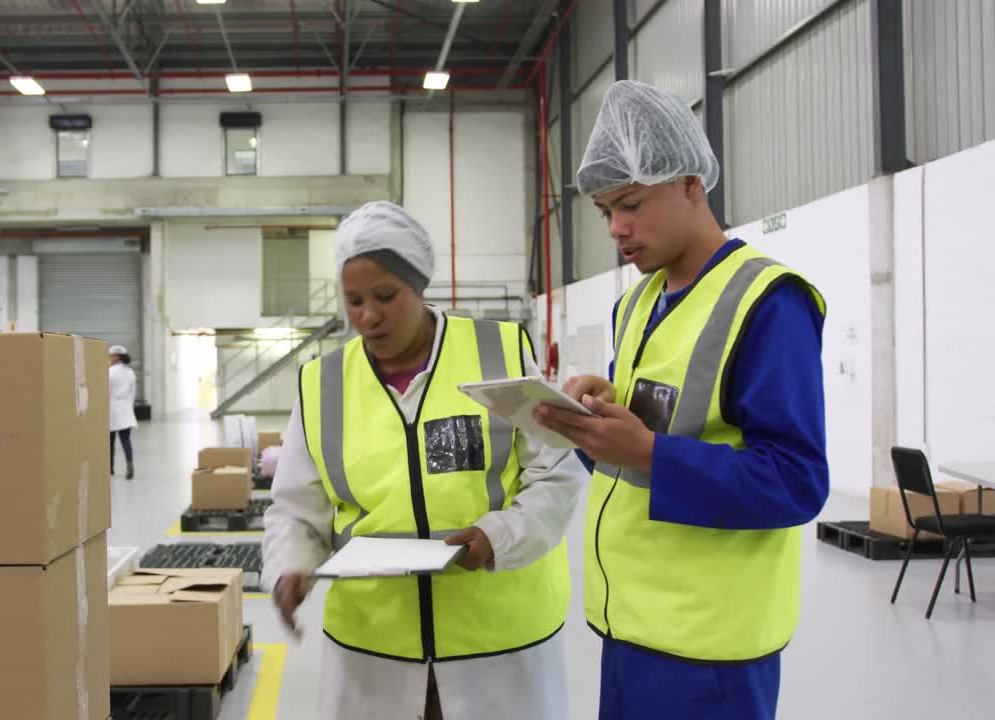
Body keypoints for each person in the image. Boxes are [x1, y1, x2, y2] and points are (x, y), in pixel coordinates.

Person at [533, 80, 830, 720]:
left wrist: (648, 453)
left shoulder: (769, 302)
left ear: (691, 183)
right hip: (630, 627)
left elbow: (798, 481)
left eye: (632, 204)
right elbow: (643, 450)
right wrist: (592, 422)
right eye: (605, 211)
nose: (617, 227)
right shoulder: (637, 303)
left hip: (710, 648)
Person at [262, 201, 591, 720]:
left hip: (499, 644)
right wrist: (290, 567)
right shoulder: (322, 383)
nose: (368, 315)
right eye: (353, 301)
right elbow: (295, 509)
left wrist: (499, 537)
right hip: (375, 651)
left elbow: (557, 473)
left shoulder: (497, 352)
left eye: (386, 296)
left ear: (418, 286)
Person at [108, 345, 137, 480]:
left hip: (112, 409)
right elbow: (132, 392)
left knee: (110, 441)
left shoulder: (110, 372)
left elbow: (106, 392)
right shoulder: (130, 372)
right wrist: (128, 406)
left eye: (110, 355)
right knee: (126, 440)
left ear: (115, 356)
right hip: (126, 410)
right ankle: (129, 463)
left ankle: (110, 468)